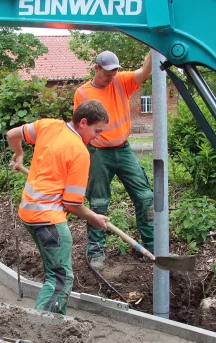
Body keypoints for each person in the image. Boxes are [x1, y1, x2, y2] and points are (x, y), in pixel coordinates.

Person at [7, 100, 110, 315]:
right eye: (96, 130)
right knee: (61, 279)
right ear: (83, 122)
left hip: (29, 213)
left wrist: (19, 154)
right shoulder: (79, 152)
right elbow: (72, 204)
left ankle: (57, 324)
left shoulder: (48, 126)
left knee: (54, 272)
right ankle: (41, 328)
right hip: (48, 220)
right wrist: (94, 218)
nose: (97, 136)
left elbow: (12, 135)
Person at [74, 49, 154, 269]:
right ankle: (96, 250)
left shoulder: (121, 81)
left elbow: (145, 70)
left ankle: (151, 246)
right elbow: (81, 128)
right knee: (99, 202)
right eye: (107, 72)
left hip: (124, 149)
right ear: (96, 68)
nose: (111, 76)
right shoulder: (83, 93)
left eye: (115, 72)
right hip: (99, 153)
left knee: (146, 196)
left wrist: (152, 45)